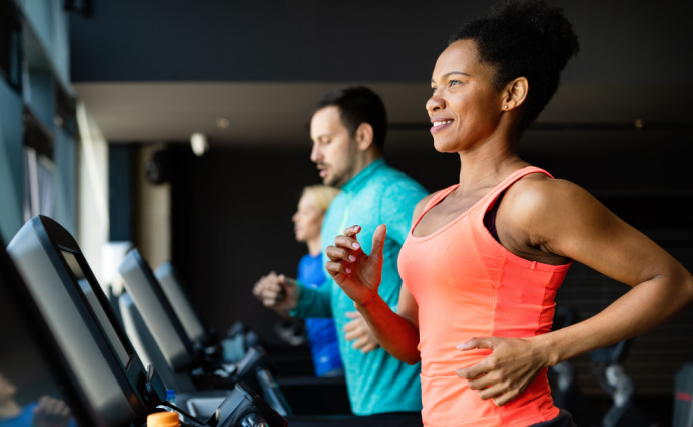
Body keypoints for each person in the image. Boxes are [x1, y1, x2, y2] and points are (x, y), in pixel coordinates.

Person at [323, 1, 693, 426]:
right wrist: (366, 298)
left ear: (511, 94)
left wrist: (545, 349)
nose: (433, 101)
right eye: (433, 87)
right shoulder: (428, 208)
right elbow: (412, 346)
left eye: (454, 83)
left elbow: (673, 283)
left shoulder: (532, 199)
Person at [253, 86, 427, 416]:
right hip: (365, 402)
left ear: (362, 136)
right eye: (314, 142)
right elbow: (338, 300)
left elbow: (445, 264)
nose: (314, 154)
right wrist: (296, 297)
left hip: (409, 403)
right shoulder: (339, 206)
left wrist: (386, 319)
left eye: (326, 141)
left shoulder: (395, 192)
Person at [258, 185, 345, 377]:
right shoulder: (305, 263)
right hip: (319, 358)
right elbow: (305, 312)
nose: (295, 218)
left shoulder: (337, 261)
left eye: (305, 212)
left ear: (327, 217)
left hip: (341, 358)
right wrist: (276, 301)